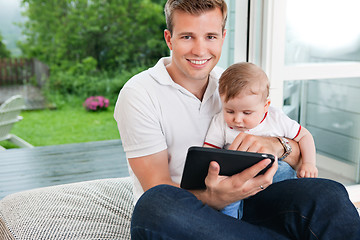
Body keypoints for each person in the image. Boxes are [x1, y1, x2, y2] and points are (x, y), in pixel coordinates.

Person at [114, 0, 360, 239]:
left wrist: (274, 145)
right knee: (156, 205)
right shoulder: (139, 94)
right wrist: (217, 197)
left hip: (252, 198)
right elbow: (157, 185)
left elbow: (296, 154)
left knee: (328, 193)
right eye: (187, 36)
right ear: (169, 38)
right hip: (190, 210)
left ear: (223, 36)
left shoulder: (233, 85)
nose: (200, 50)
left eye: (210, 37)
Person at [204, 62, 318, 219]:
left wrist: (309, 163)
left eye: (247, 112)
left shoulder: (275, 118)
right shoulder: (220, 122)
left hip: (273, 174)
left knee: (285, 170)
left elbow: (305, 136)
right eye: (229, 111)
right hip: (237, 177)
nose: (237, 119)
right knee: (227, 199)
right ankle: (230, 223)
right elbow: (209, 152)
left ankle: (284, 211)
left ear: (266, 106)